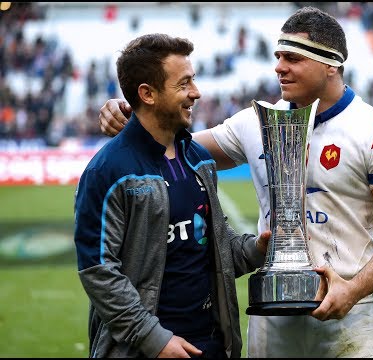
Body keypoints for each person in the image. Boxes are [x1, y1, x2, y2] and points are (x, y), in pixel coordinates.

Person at [97, 6, 373, 358]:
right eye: (278, 56)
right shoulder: (255, 123)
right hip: (271, 316)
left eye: (293, 58)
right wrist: (132, 113)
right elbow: (174, 145)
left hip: (349, 317)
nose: (278, 67)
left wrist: (352, 289)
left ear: (331, 63)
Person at [74, 33, 271, 358]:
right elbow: (98, 272)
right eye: (183, 84)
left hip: (210, 345)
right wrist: (154, 340)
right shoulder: (107, 172)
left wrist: (257, 249)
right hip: (143, 349)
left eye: (193, 80)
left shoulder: (199, 159)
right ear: (147, 94)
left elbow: (216, 249)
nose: (196, 93)